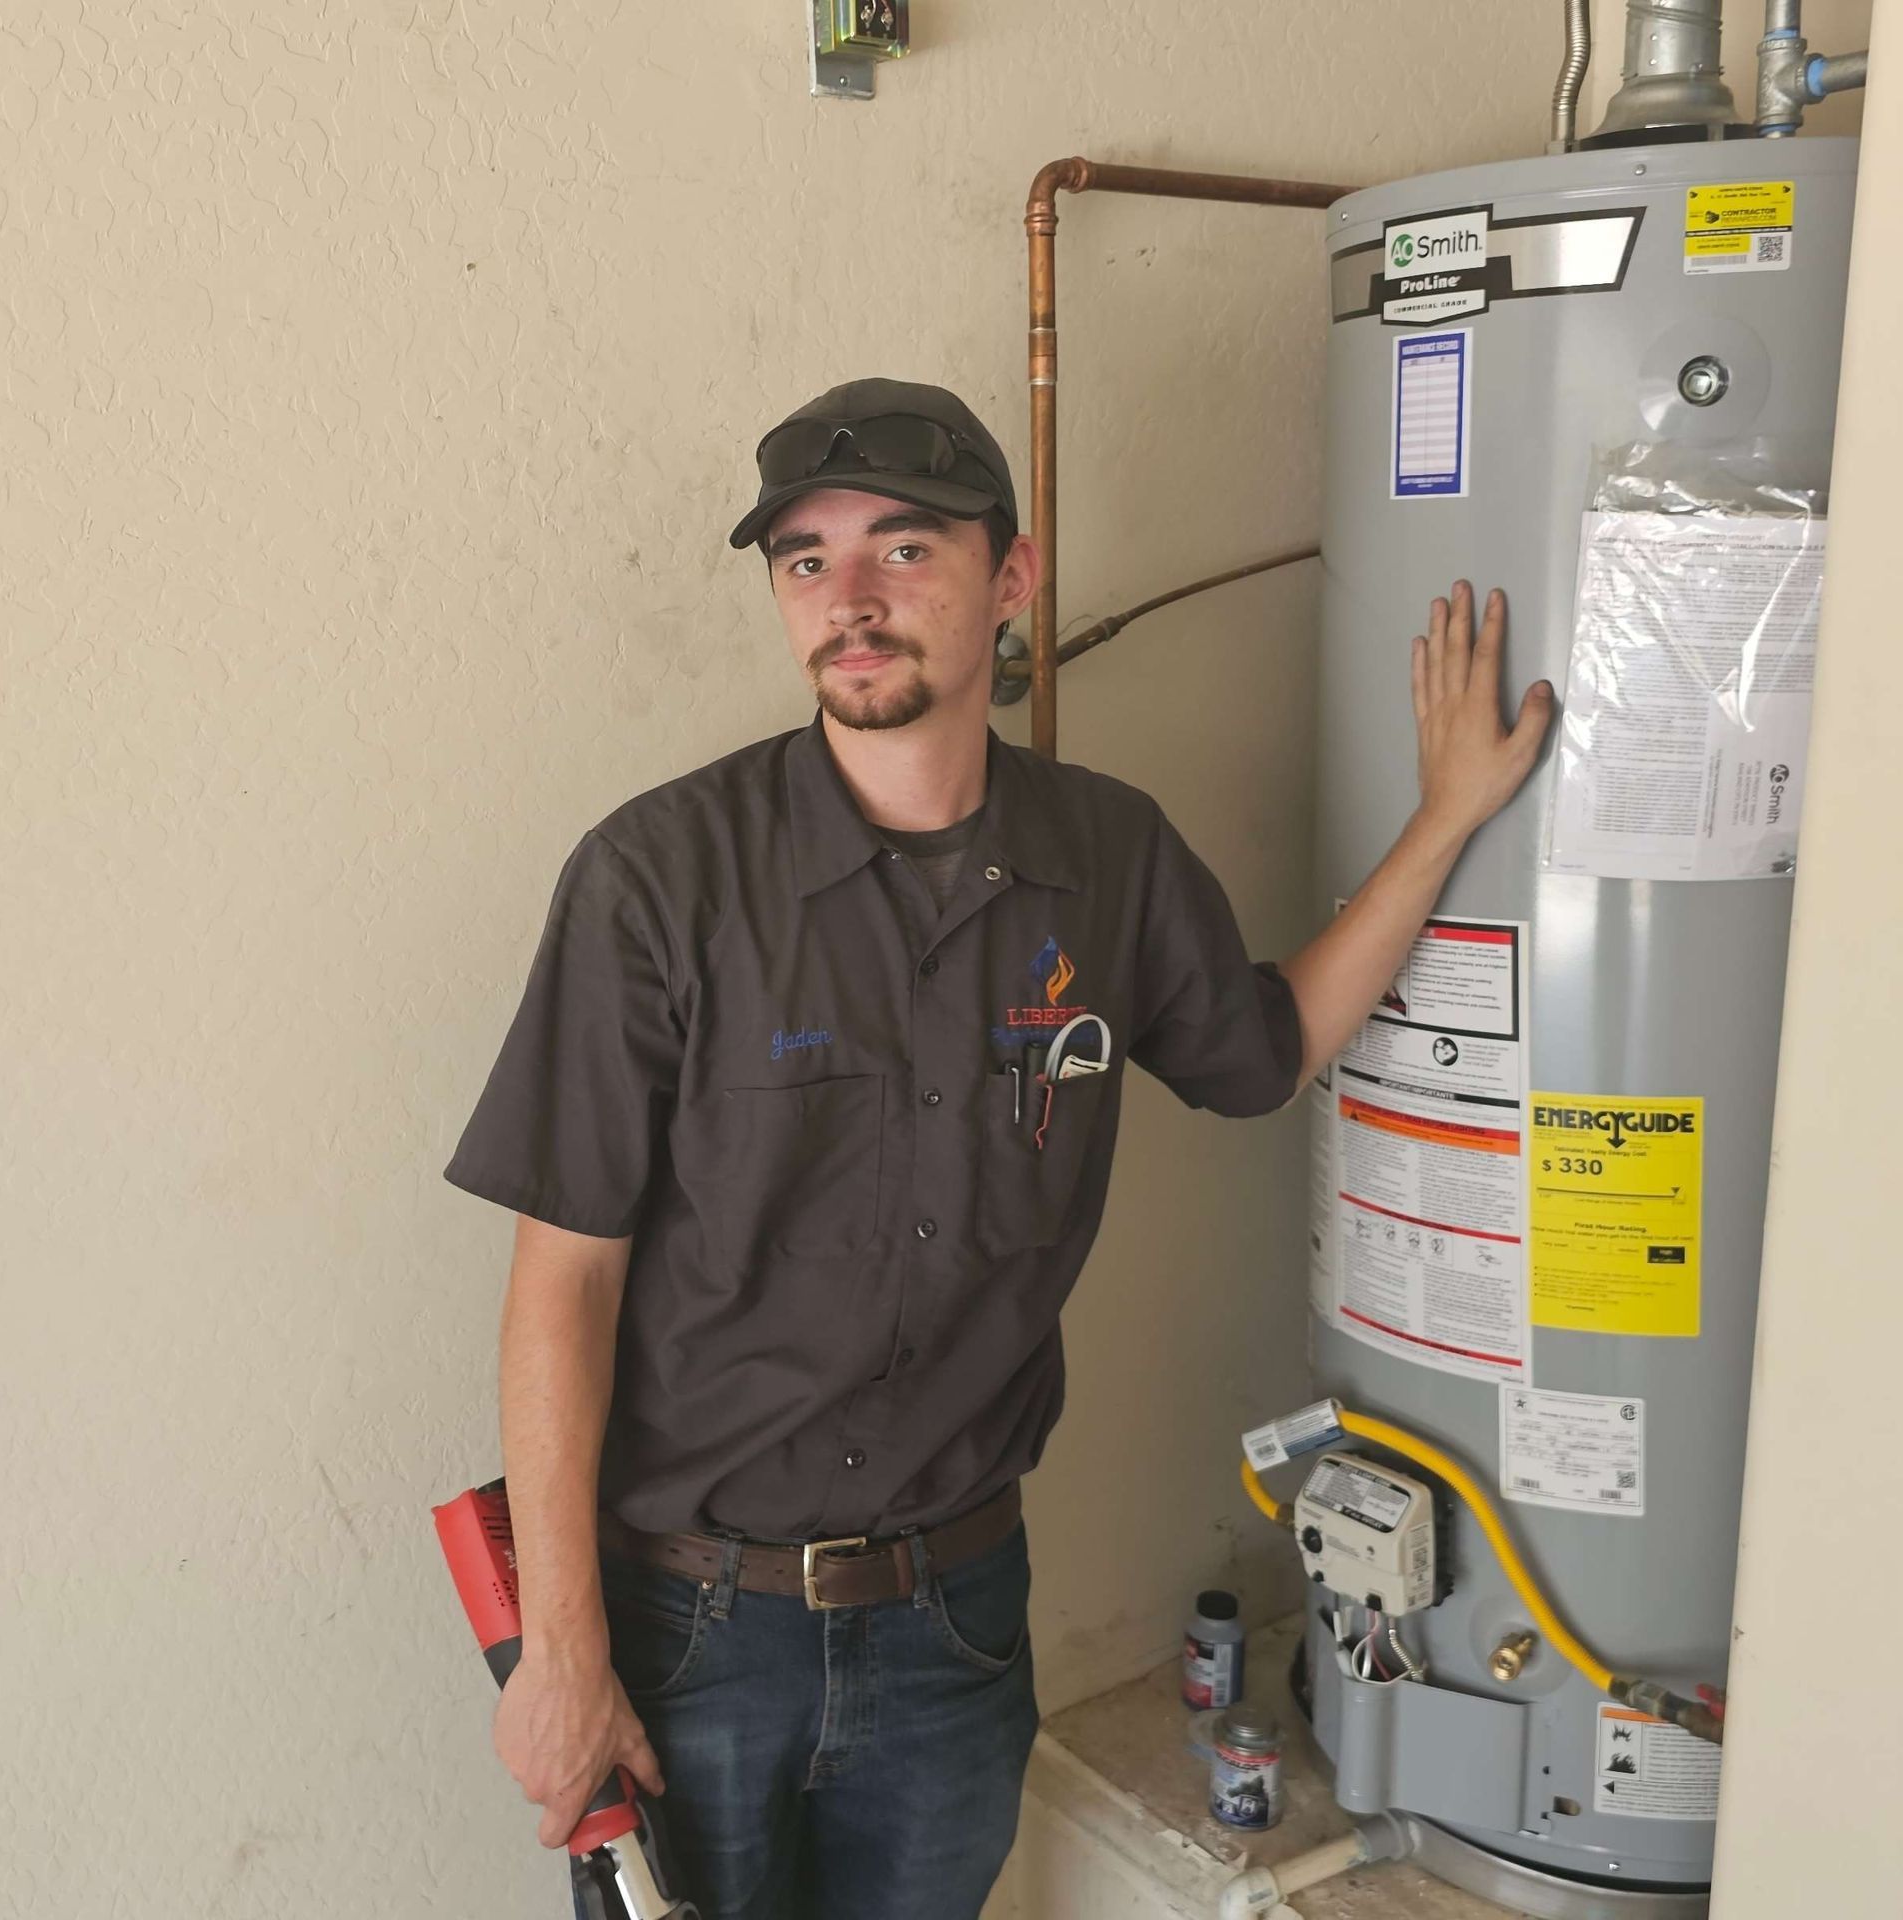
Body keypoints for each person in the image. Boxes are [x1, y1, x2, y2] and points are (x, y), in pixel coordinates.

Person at [442, 376, 1552, 1919]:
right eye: (807, 560)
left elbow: (1266, 1050)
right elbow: (562, 1280)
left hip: (950, 1628)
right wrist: (562, 1652)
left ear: (1011, 576)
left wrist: (1447, 816)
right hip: (689, 1629)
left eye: (904, 549)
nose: (850, 598)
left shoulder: (1108, 858)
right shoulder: (659, 878)